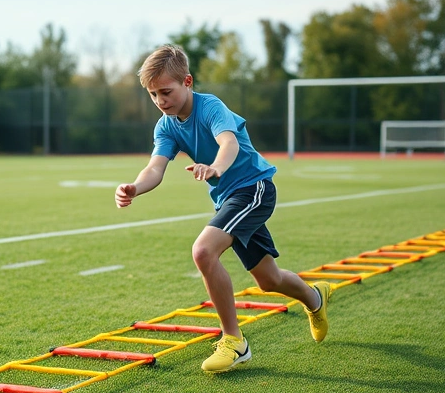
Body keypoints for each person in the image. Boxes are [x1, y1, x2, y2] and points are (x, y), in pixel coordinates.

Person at [115, 44, 331, 373]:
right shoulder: (166, 125)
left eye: (166, 92)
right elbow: (155, 168)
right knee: (269, 280)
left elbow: (228, 142)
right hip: (230, 199)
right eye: (153, 95)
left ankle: (234, 341)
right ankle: (315, 298)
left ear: (187, 81)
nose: (160, 101)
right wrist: (134, 187)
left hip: (254, 188)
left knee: (203, 251)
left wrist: (215, 167)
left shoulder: (211, 106)